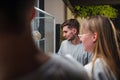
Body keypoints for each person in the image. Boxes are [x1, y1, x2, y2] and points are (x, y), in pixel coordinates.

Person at [0, 0, 90, 80]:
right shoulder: (73, 72)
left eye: (66, 32)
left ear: (74, 31)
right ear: (32, 14)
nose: (63, 35)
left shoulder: (71, 72)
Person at [80, 15, 120, 80]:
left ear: (94, 37)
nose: (81, 39)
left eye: (82, 34)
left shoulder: (91, 70)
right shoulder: (114, 63)